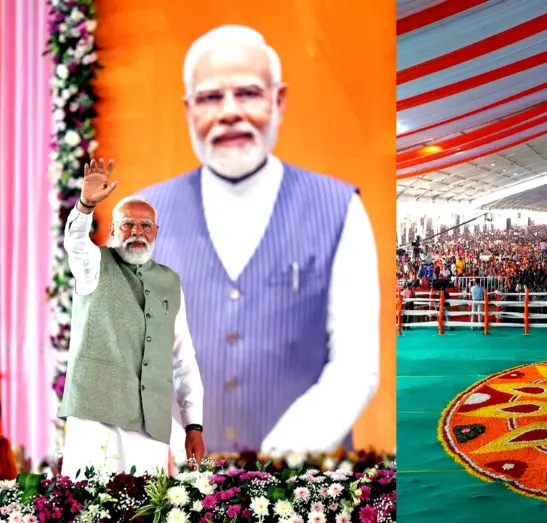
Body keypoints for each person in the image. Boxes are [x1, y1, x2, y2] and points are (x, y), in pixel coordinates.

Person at [140, 25, 379, 456]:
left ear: (278, 100)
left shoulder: (340, 208)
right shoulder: (141, 217)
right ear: (188, 109)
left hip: (306, 481)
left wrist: (277, 467)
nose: (230, 112)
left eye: (248, 93)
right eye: (211, 97)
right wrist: (178, 455)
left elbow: (355, 364)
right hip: (171, 480)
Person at [59, 159, 205, 477]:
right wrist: (85, 206)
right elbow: (75, 244)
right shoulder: (93, 264)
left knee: (146, 501)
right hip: (95, 417)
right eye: (127, 224)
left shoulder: (170, 282)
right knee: (91, 500)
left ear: (156, 232)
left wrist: (193, 424)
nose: (137, 232)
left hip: (149, 422)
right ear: (113, 229)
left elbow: (183, 358)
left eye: (145, 225)